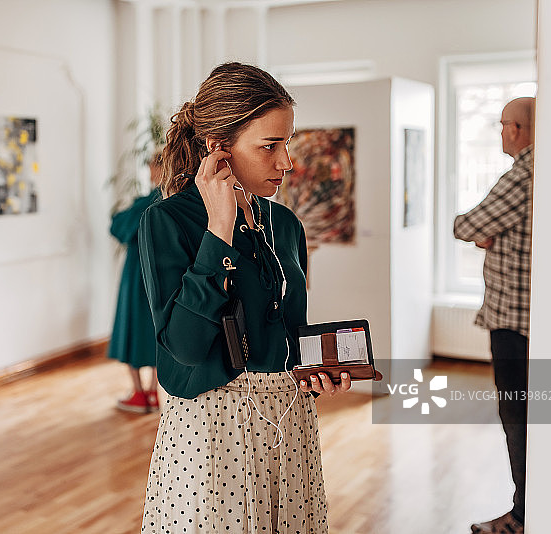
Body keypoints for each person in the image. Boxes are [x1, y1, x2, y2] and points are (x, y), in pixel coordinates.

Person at [137, 62, 351, 533]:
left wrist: (312, 372)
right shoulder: (169, 222)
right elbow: (186, 347)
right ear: (219, 148)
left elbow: (287, 333)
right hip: (212, 432)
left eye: (287, 142)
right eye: (269, 145)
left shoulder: (287, 225)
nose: (286, 161)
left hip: (290, 424)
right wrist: (220, 228)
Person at [454, 96, 535, 534]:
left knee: (518, 420)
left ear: (518, 130)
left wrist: (483, 231)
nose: (502, 132)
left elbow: (464, 226)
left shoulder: (523, 175)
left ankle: (522, 518)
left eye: (504, 125)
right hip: (531, 323)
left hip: (514, 325)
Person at [107, 154, 163, 413]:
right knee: (155, 327)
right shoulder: (178, 200)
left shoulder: (149, 202)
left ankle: (139, 393)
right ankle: (153, 392)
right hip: (162, 275)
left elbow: (119, 226)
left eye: (152, 165)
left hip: (138, 273)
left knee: (131, 327)